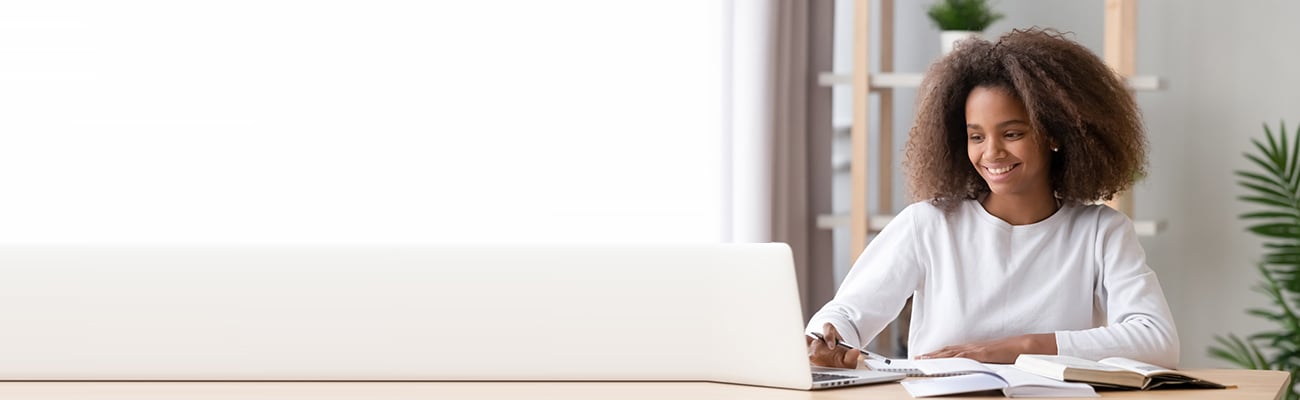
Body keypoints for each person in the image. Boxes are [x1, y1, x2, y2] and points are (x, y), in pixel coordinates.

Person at [805, 28, 1178, 369]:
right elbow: (846, 316)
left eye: (1012, 133)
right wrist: (827, 338)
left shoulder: (1101, 231)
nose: (992, 153)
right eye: (977, 136)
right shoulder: (929, 223)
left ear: (1055, 134)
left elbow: (1157, 340)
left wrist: (1019, 347)